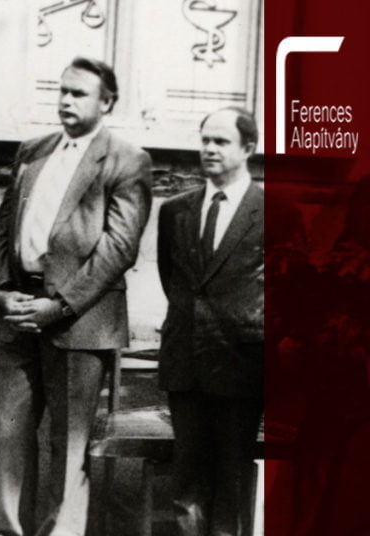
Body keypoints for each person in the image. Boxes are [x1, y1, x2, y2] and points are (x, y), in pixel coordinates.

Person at [0, 57, 153, 536]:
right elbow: (1, 230)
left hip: (78, 323)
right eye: (62, 90)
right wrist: (3, 291)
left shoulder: (126, 160)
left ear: (107, 102)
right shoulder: (32, 151)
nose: (65, 100)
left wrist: (59, 306)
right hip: (18, 314)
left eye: (78, 93)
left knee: (69, 446)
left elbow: (118, 248)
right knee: (8, 437)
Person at [157, 107, 264, 536]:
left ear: (248, 148)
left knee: (231, 480)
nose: (209, 149)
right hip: (185, 363)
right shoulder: (175, 211)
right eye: (205, 140)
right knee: (186, 480)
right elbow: (173, 280)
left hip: (241, 367)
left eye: (221, 141)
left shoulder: (274, 212)